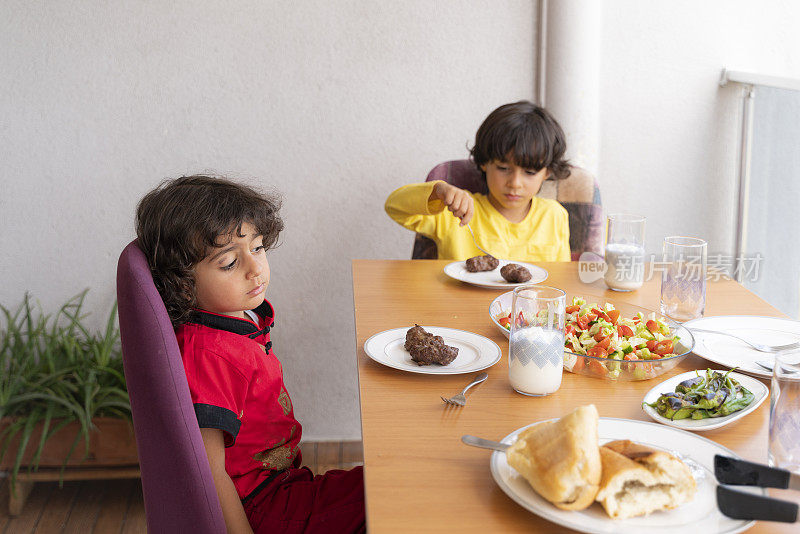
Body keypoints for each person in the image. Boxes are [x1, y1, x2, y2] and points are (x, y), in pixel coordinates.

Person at [135, 175, 365, 534]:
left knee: (387, 483)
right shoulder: (209, 356)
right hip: (264, 506)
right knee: (385, 496)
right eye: (229, 263)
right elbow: (208, 473)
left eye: (257, 248)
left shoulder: (234, 318)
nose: (255, 268)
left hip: (283, 483)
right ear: (180, 282)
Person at [385, 100, 572, 261]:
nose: (515, 183)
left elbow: (560, 281)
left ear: (547, 172)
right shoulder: (455, 210)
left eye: (530, 172)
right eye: (503, 168)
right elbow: (394, 207)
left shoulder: (555, 216)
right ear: (484, 163)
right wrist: (438, 191)